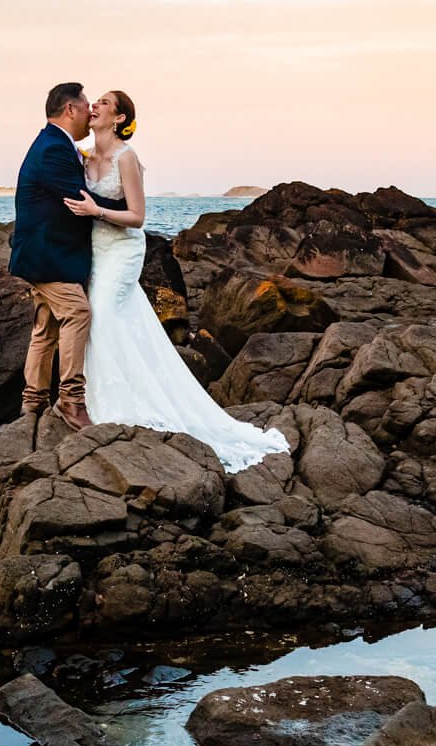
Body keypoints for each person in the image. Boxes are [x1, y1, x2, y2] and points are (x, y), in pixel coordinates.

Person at [64, 91, 289, 472]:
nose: (95, 106)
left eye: (104, 102)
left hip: (121, 251)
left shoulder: (126, 157)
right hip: (95, 252)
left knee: (101, 315)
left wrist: (95, 210)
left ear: (119, 119)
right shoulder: (83, 156)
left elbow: (137, 216)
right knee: (109, 321)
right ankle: (106, 398)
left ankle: (115, 407)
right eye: (95, 101)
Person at [9, 81, 112, 428]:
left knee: (46, 327)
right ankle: (71, 400)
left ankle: (33, 403)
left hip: (45, 253)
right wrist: (127, 206)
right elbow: (80, 196)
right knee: (77, 312)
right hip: (47, 255)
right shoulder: (53, 148)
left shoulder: (55, 144)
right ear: (70, 109)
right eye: (86, 107)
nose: (90, 113)